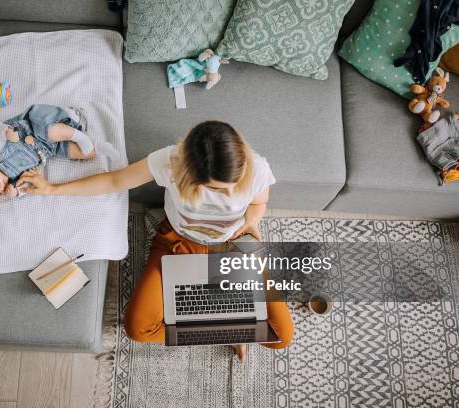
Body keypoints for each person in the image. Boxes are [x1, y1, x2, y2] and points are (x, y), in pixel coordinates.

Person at [17, 120, 294, 362]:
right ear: (190, 177)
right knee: (138, 328)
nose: (232, 193)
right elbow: (115, 181)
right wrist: (53, 189)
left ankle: (229, 322)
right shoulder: (170, 162)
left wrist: (251, 221)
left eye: (234, 184)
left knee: (281, 336)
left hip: (234, 244)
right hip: (178, 242)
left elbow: (259, 203)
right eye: (217, 189)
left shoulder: (256, 167)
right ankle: (227, 330)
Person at [0, 104, 118, 212]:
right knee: (78, 153)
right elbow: (30, 183)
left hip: (35, 125)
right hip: (49, 149)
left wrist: (4, 132)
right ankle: (99, 148)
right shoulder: (12, 182)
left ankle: (78, 134)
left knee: (52, 131)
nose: (1, 189)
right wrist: (18, 192)